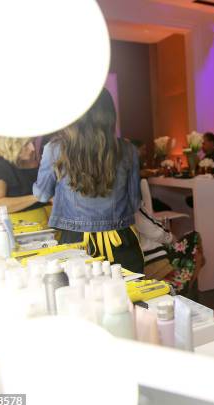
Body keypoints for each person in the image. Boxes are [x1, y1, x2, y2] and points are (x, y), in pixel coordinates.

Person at [33, 88, 144, 273]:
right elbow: (134, 203)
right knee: (126, 297)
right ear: (109, 114)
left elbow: (42, 195)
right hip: (121, 241)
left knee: (79, 298)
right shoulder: (128, 149)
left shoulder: (54, 148)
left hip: (75, 243)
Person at [135, 203, 204, 298]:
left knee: (198, 258)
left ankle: (183, 289)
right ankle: (182, 291)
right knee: (194, 238)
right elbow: (152, 230)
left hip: (138, 264)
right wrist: (171, 238)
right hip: (154, 262)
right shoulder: (129, 202)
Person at [0, 136, 49, 223]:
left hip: (48, 221)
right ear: (9, 145)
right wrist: (38, 197)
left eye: (32, 143)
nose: (32, 148)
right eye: (26, 144)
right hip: (20, 226)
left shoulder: (29, 159)